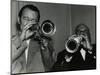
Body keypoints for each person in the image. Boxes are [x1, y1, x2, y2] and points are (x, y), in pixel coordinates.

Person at [11, 4, 55, 74]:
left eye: (33, 20)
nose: (29, 23)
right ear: (19, 20)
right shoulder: (10, 42)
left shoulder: (45, 42)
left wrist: (44, 49)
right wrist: (20, 39)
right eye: (26, 19)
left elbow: (50, 67)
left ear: (37, 23)